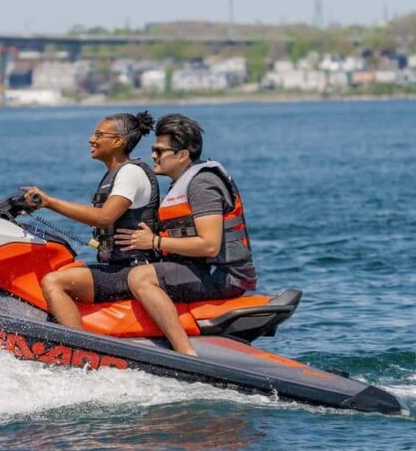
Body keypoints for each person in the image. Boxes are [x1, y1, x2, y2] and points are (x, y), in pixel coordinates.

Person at [114, 114, 257, 356]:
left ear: (182, 155)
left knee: (141, 278)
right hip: (201, 268)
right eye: (153, 150)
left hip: (224, 274)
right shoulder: (180, 183)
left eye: (160, 151)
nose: (153, 156)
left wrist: (155, 241)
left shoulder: (202, 185)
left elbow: (210, 245)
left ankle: (185, 353)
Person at [23, 111, 160, 329]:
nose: (91, 139)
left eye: (99, 135)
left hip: (132, 271)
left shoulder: (130, 173)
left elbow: (104, 218)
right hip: (117, 266)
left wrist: (49, 203)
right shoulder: (114, 175)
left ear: (117, 141)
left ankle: (80, 348)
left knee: (53, 282)